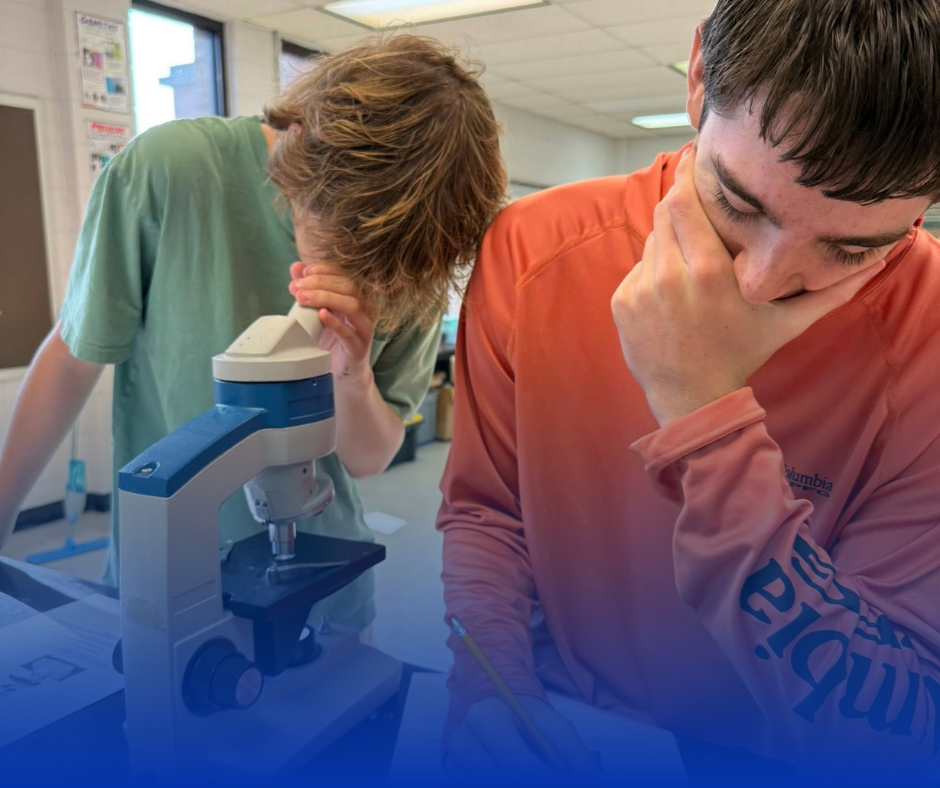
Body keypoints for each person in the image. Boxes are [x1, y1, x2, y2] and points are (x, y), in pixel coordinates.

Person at [438, 0, 940, 782]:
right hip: (565, 722)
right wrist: (489, 684)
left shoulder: (928, 325)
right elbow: (487, 513)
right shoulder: (532, 247)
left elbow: (888, 720)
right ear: (701, 73)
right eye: (739, 204)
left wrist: (706, 414)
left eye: (852, 250)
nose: (759, 281)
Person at [0, 35, 506, 634]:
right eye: (338, 239)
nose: (350, 271)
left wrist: (353, 374)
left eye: (370, 265)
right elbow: (72, 359)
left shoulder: (409, 260)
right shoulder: (170, 171)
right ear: (302, 154)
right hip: (162, 574)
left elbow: (368, 458)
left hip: (324, 591)